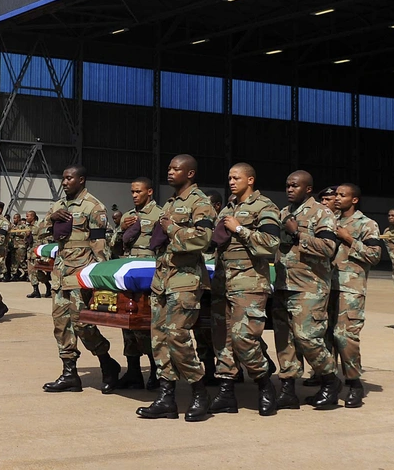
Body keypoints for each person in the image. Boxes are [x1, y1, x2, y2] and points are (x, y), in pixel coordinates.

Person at [137, 155, 215, 422]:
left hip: (185, 279)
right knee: (158, 339)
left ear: (190, 173)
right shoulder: (170, 203)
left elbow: (204, 240)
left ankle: (199, 392)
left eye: (175, 168)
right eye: (168, 167)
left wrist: (171, 229)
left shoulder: (200, 203)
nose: (169, 172)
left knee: (177, 336)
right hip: (162, 279)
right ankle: (166, 398)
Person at [209, 162, 281, 416]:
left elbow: (271, 244)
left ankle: (264, 385)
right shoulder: (227, 209)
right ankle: (226, 392)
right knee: (223, 339)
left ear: (250, 180)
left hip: (249, 282)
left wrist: (239, 229)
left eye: (236, 177)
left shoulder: (265, 207)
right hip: (222, 283)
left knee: (244, 338)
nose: (231, 181)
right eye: (229, 177)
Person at [41, 166, 120, 396]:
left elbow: (100, 247)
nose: (64, 182)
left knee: (83, 324)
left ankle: (107, 364)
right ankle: (69, 374)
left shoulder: (94, 207)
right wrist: (50, 218)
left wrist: (98, 279)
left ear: (81, 180)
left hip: (80, 275)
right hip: (60, 274)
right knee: (61, 324)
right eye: (63, 178)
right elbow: (39, 232)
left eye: (69, 178)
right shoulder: (58, 206)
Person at [272, 170, 340, 411]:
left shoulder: (322, 213)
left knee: (308, 338)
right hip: (283, 285)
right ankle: (288, 390)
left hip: (309, 287)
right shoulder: (283, 213)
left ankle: (330, 382)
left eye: (295, 186)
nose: (290, 189)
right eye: (288, 185)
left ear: (308, 189)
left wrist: (297, 233)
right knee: (285, 341)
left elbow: (328, 248)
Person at [329, 183, 381, 408]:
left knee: (345, 337)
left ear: (354, 199)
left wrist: (349, 239)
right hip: (325, 287)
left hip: (350, 288)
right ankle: (329, 385)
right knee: (325, 338)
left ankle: (354, 383)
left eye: (343, 195)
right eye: (336, 195)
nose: (337, 198)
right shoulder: (329, 220)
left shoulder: (367, 224)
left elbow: (374, 255)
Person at [113, 177, 162, 392]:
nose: (134, 195)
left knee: (147, 324)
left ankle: (155, 371)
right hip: (128, 271)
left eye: (138, 191)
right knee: (127, 323)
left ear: (149, 192)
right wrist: (120, 229)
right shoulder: (127, 216)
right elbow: (114, 245)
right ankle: (133, 372)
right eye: (132, 191)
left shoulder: (160, 214)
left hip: (148, 272)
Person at [25, 210, 51, 298]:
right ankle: (36, 290)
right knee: (31, 272)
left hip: (37, 253)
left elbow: (44, 239)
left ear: (33, 217)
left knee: (39, 273)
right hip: (30, 253)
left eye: (28, 216)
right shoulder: (27, 227)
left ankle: (48, 285)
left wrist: (44, 253)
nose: (26, 218)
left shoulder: (39, 225)